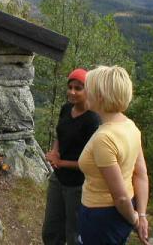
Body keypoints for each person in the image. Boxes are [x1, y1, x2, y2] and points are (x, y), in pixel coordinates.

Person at [77, 65, 149, 245]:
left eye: (89, 89)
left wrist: (134, 221)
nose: (85, 92)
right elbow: (140, 175)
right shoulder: (130, 126)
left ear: (100, 96)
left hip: (101, 217)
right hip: (121, 213)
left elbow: (120, 197)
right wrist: (141, 214)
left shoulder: (104, 138)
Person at [42, 68, 100, 245]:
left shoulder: (93, 120)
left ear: (88, 90)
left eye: (78, 88)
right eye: (70, 87)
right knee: (51, 229)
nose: (72, 92)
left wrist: (60, 162)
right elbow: (60, 132)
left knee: (73, 232)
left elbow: (90, 163)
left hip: (78, 184)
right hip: (58, 178)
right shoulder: (66, 109)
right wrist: (55, 152)